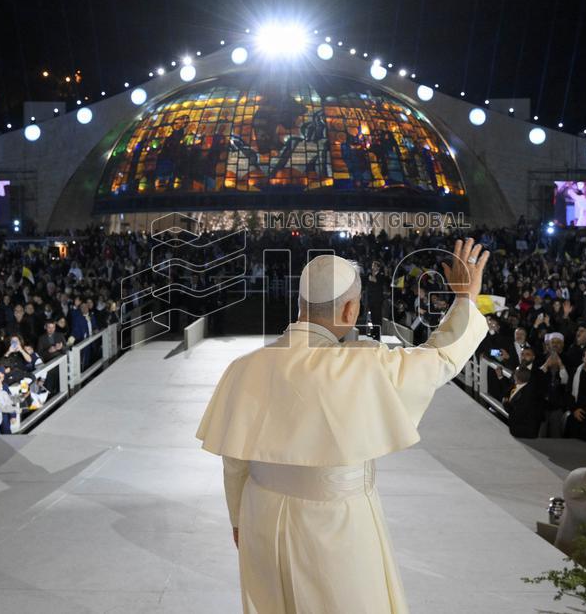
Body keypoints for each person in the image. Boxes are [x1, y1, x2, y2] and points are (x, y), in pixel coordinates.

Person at [196, 238, 490, 613]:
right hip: (336, 522)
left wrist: (239, 520)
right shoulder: (364, 365)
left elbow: (234, 462)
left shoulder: (243, 368)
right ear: (350, 310)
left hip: (260, 516)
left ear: (301, 306)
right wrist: (465, 299)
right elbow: (439, 359)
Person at [503, 367, 543, 438]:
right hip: (516, 427)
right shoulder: (517, 386)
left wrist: (506, 404)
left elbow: (518, 411)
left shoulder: (527, 393)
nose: (513, 375)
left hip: (522, 431)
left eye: (515, 374)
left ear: (518, 377)